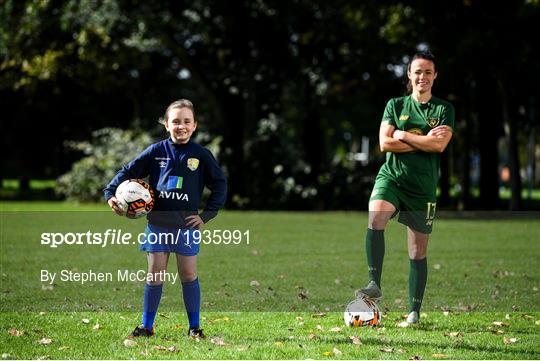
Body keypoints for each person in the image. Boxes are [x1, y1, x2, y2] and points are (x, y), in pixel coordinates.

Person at [103, 99, 227, 338]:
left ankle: (194, 327)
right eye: (176, 121)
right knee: (155, 275)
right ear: (167, 125)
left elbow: (220, 184)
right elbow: (128, 171)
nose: (181, 126)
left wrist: (207, 215)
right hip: (157, 225)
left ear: (194, 126)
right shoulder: (156, 151)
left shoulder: (201, 155)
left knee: (188, 275)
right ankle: (147, 326)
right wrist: (110, 193)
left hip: (186, 228)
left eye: (186, 121)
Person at [356, 51, 454, 324]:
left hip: (422, 188)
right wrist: (420, 139)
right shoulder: (395, 105)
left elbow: (439, 145)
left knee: (417, 252)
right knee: (375, 215)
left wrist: (403, 134)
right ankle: (374, 282)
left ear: (435, 76)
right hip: (392, 177)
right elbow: (385, 144)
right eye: (417, 72)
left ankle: (414, 312)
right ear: (409, 75)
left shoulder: (444, 109)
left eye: (427, 72)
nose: (422, 77)